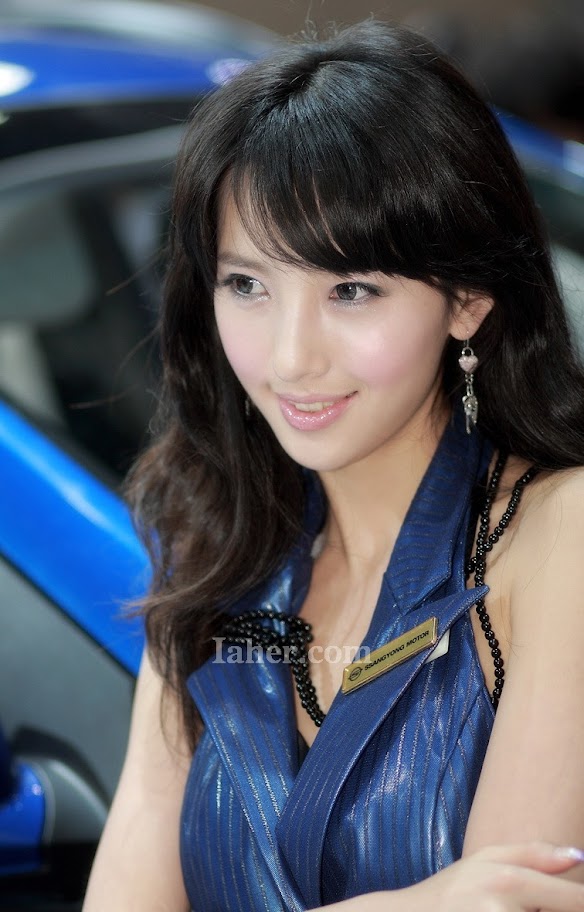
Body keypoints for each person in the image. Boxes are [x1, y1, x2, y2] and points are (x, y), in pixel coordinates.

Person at [83, 20, 584, 912]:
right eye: (247, 285)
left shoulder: (556, 537)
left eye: (350, 290)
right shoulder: (213, 544)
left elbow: (519, 900)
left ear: (467, 300)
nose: (289, 358)